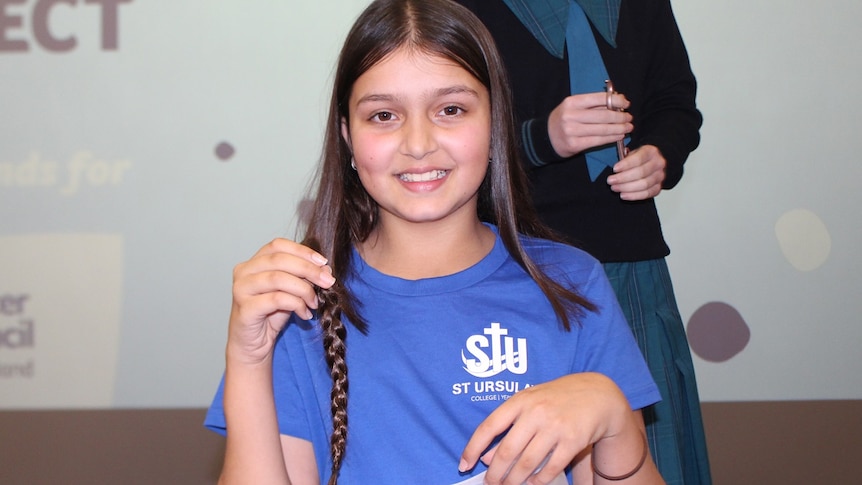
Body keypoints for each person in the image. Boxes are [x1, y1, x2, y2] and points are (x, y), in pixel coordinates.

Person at [205, 0, 666, 483]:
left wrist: (613, 418)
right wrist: (247, 356)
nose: (419, 142)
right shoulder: (298, 306)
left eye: (451, 109)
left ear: (495, 122)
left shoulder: (572, 284)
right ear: (347, 137)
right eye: (383, 115)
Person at [452, 1, 711, 484]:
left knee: (648, 453)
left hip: (628, 261)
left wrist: (660, 155)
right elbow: (441, 134)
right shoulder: (458, 8)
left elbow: (676, 102)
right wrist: (539, 139)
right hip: (514, 266)